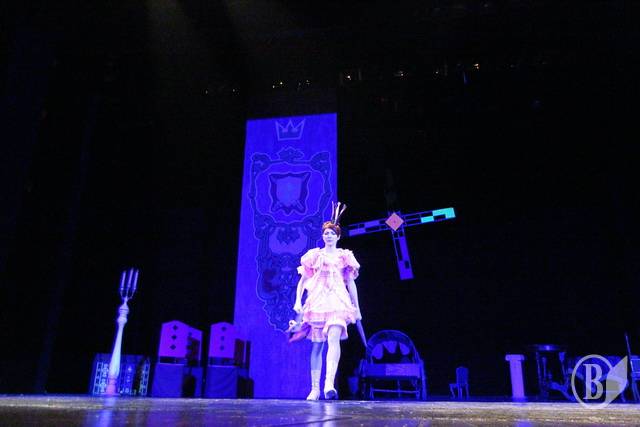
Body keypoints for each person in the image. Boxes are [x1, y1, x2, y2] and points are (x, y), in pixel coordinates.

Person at [289, 202, 362, 400]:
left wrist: (356, 307)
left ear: (338, 236)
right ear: (323, 236)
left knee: (333, 338)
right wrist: (298, 301)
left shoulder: (344, 256)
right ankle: (315, 388)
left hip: (338, 301)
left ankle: (329, 383)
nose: (328, 236)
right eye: (326, 233)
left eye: (332, 233)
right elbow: (303, 280)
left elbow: (351, 283)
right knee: (318, 345)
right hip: (318, 302)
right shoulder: (314, 256)